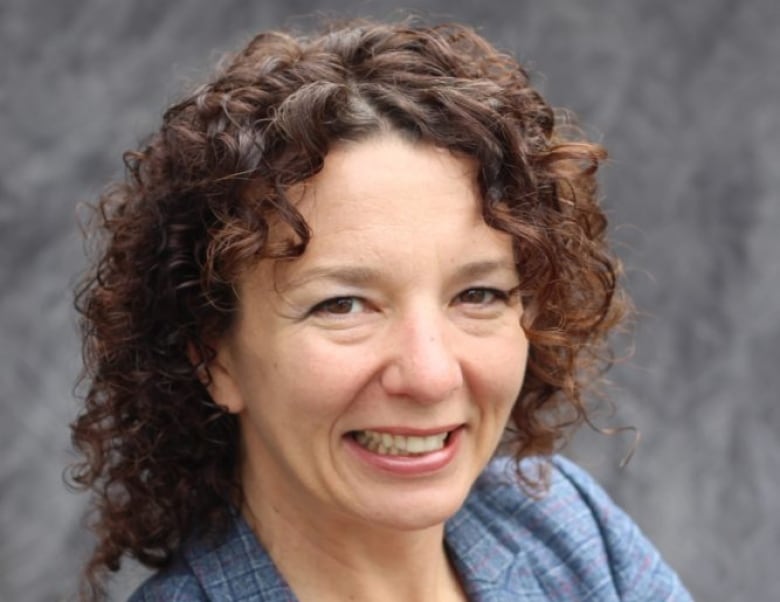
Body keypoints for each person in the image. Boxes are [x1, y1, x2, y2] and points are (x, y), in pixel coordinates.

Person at [69, 18, 693, 602]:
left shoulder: (564, 527)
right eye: (343, 305)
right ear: (212, 355)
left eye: (478, 295)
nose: (431, 376)